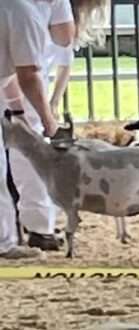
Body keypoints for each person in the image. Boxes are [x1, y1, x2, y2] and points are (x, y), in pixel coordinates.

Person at [3, 0, 74, 254]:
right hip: (23, 84)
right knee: (28, 157)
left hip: (9, 86)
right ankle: (37, 228)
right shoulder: (24, 13)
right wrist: (48, 120)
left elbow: (9, 75)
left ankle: (7, 237)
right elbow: (28, 72)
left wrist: (17, 107)